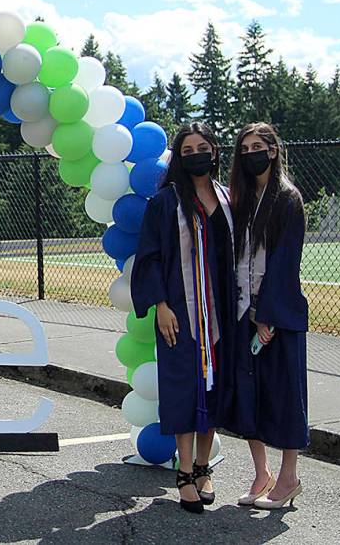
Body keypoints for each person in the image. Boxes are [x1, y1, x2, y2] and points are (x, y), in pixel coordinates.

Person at [131, 122, 236, 514]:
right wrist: (160, 304)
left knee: (214, 388)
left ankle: (205, 467)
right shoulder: (165, 202)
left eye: (202, 147)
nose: (196, 155)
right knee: (181, 389)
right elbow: (150, 256)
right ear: (178, 157)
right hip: (179, 311)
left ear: (215, 151)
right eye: (187, 150)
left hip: (222, 315)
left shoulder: (228, 199)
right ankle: (184, 472)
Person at [221, 122, 308, 509]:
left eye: (259, 146)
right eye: (245, 148)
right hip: (243, 312)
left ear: (273, 150)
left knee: (285, 395)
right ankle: (262, 474)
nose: (252, 153)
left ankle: (288, 478)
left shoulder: (287, 199)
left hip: (277, 316)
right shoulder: (240, 200)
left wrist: (265, 314)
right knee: (247, 396)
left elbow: (285, 262)